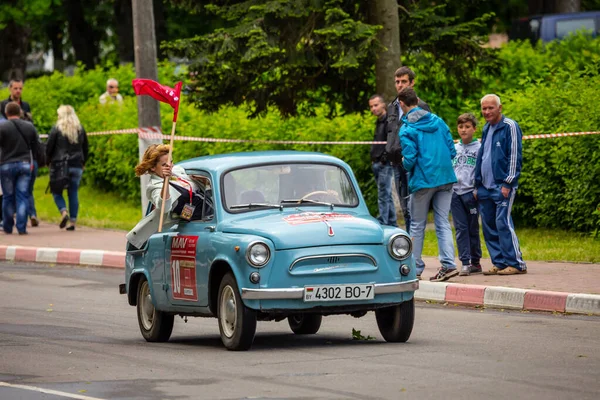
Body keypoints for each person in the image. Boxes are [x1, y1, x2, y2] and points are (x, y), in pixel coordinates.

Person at [398, 88, 458, 282]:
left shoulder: (407, 129)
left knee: (416, 225)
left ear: (402, 104)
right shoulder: (439, 122)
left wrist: (403, 162)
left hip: (423, 180)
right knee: (442, 222)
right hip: (446, 177)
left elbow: (410, 159)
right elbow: (452, 150)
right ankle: (448, 265)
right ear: (417, 100)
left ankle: (414, 269)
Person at [474, 94, 527, 275]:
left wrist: (508, 182)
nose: (487, 112)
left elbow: (515, 156)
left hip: (502, 185)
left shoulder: (510, 126)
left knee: (502, 222)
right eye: (484, 108)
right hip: (485, 187)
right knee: (488, 225)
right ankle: (500, 262)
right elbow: (482, 155)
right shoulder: (486, 128)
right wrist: (477, 184)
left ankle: (516, 263)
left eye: (491, 108)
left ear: (500, 108)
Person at [386, 66, 431, 233]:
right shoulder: (391, 106)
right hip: (396, 163)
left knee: (414, 206)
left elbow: (425, 138)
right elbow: (390, 133)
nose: (399, 85)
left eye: (403, 81)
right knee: (404, 207)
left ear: (412, 83)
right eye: (397, 81)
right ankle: (408, 243)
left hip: (413, 163)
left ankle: (416, 244)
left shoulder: (422, 107)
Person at [126, 144, 187, 249]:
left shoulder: (178, 171)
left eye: (171, 162)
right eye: (164, 165)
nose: (170, 166)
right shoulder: (154, 186)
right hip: (171, 232)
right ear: (153, 167)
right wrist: (166, 181)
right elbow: (165, 206)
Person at [46, 105, 89, 231]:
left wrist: (48, 161)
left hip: (59, 165)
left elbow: (49, 147)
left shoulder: (56, 129)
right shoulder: (80, 129)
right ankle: (73, 222)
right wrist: (83, 161)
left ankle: (64, 212)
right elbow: (85, 147)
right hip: (77, 164)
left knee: (56, 191)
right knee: (73, 192)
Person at [0, 102, 38, 235]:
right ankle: (21, 227)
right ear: (19, 112)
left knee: (8, 197)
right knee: (22, 196)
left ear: (6, 113)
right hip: (24, 164)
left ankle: (8, 226)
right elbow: (36, 147)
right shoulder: (29, 127)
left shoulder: (2, 127)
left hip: (6, 165)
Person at [452, 113, 483, 276]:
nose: (463, 130)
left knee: (472, 227)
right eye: (460, 127)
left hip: (471, 193)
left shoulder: (479, 148)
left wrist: (477, 190)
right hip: (455, 193)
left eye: (467, 127)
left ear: (474, 129)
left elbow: (482, 171)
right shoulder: (454, 148)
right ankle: (465, 262)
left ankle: (476, 262)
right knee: (460, 228)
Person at [369, 94, 397, 227]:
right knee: (387, 194)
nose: (373, 108)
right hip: (376, 163)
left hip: (384, 164)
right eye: (371, 106)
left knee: (383, 194)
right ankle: (392, 223)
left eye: (376, 105)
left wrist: (383, 160)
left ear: (383, 105)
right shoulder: (379, 121)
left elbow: (390, 143)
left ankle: (383, 222)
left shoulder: (389, 121)